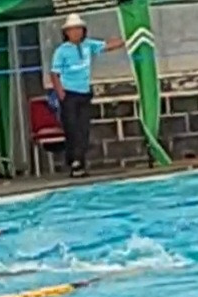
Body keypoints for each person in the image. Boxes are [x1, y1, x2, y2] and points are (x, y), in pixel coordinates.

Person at [50, 14, 124, 178]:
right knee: (72, 128)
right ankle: (74, 161)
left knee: (83, 129)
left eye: (79, 29)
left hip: (84, 93)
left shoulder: (88, 45)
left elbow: (107, 46)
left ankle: (79, 161)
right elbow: (54, 73)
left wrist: (127, 39)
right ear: (67, 33)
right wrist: (60, 93)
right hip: (69, 94)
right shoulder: (61, 51)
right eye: (72, 30)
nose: (76, 32)